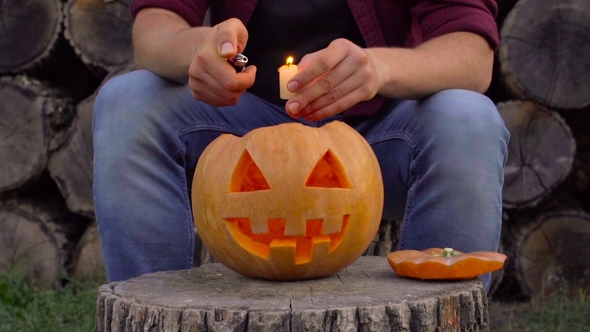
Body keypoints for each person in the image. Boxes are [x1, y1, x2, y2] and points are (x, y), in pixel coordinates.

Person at [93, 0, 509, 291]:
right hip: (240, 128)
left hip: (380, 129)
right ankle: (158, 312)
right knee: (127, 102)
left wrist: (379, 67)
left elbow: (472, 54)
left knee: (468, 119)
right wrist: (199, 49)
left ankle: (438, 317)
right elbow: (153, 28)